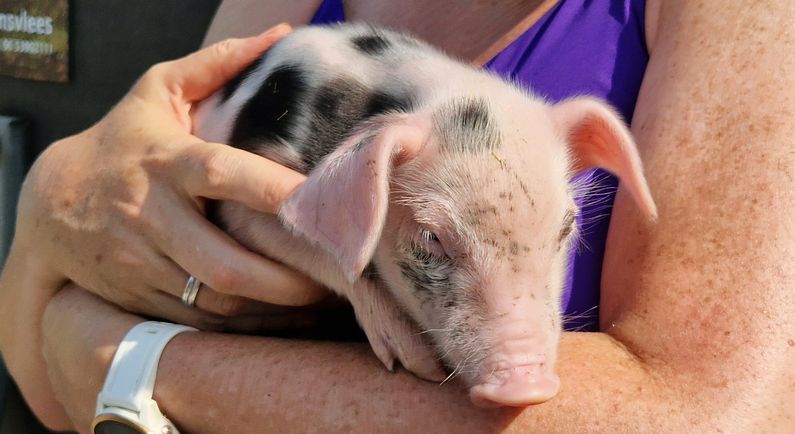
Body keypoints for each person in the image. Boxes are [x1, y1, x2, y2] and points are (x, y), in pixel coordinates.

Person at [1, 0, 793, 431]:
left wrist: (129, 360)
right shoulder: (291, 27)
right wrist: (49, 208)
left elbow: (716, 418)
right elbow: (42, 384)